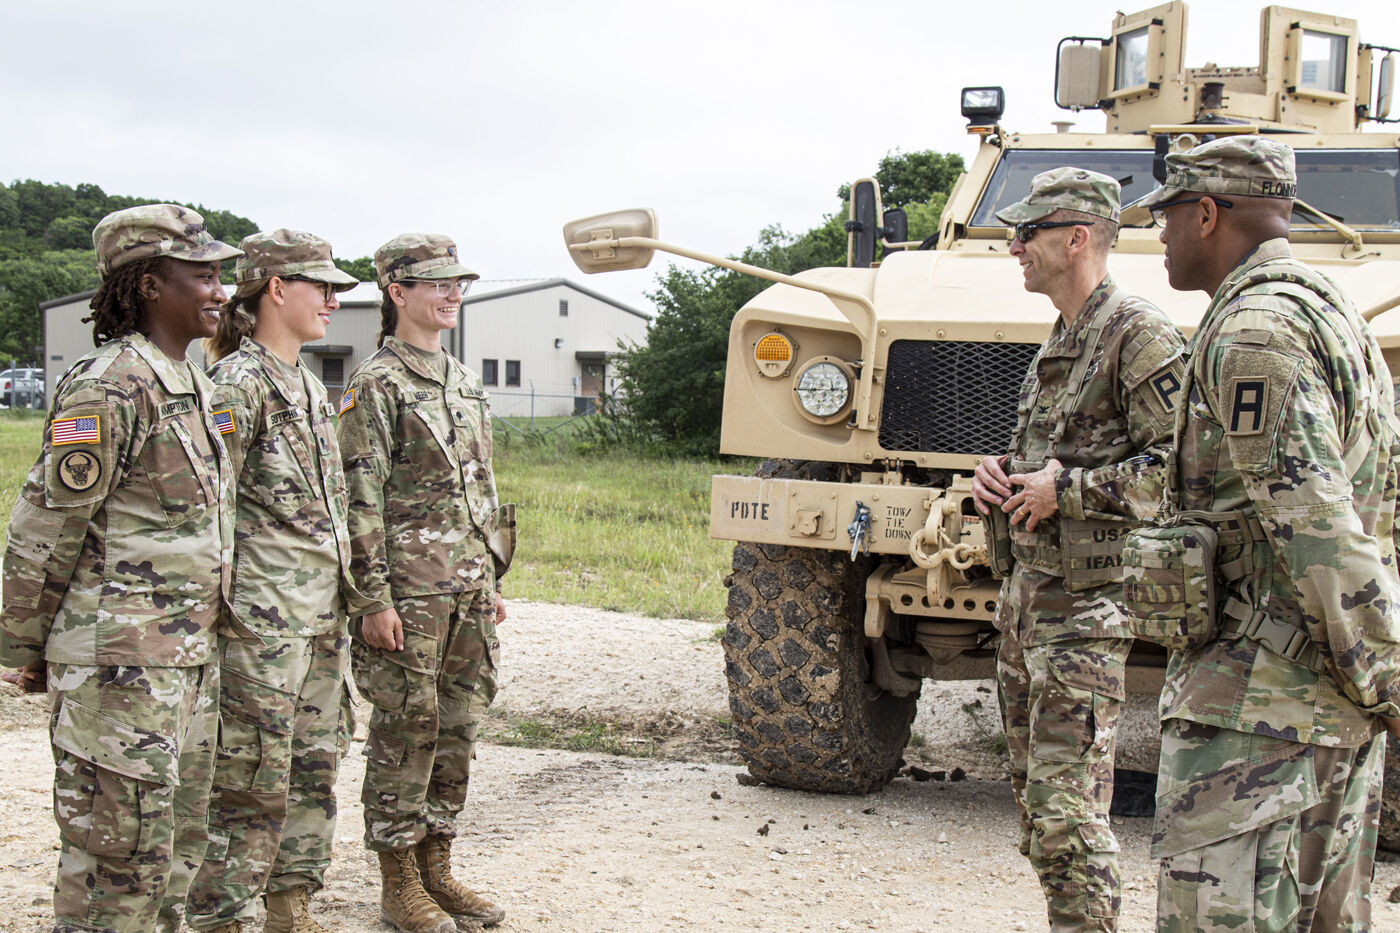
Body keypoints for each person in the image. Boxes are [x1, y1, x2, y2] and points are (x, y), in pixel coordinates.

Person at [1126, 134, 1400, 931]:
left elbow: (1323, 536)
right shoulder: (1329, 308)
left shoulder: (1255, 334)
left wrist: (1391, 684)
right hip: (1315, 712)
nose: (1162, 235)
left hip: (1260, 719)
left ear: (1207, 214)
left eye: (1169, 216)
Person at [0, 204, 243, 933]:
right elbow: (45, 525)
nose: (219, 290)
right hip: (119, 668)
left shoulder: (191, 383)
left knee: (173, 851)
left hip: (183, 663)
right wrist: (25, 645)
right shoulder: (111, 386)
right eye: (200, 273)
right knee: (119, 862)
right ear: (146, 284)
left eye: (220, 273)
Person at [971, 169, 1186, 932]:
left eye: (1026, 233)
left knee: (1068, 815)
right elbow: (1047, 457)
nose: (1014, 246)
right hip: (1030, 605)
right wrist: (998, 476)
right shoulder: (1059, 342)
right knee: (1039, 811)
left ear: (1077, 237)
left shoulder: (1138, 334)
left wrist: (1069, 492)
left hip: (1086, 614)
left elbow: (1182, 473)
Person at [183, 230, 367, 933]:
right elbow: (209, 506)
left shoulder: (310, 387)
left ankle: (290, 907)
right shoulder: (238, 383)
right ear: (275, 289)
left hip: (317, 621)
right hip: (260, 625)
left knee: (314, 765)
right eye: (319, 285)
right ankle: (223, 916)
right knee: (249, 778)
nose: (331, 298)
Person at [337, 234, 512, 933]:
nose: (451, 294)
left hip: (466, 588)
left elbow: (482, 488)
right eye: (436, 283)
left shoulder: (463, 380)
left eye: (458, 282)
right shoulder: (376, 383)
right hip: (407, 594)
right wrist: (372, 598)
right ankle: (398, 879)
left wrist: (490, 575)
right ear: (396, 292)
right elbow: (360, 497)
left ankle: (438, 867)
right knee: (405, 730)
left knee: (459, 727)